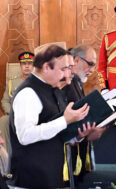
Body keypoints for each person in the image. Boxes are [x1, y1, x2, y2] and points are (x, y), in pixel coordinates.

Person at [9, 45, 90, 188]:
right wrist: (65, 120)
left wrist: (76, 136)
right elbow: (25, 135)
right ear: (46, 67)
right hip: (31, 179)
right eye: (63, 69)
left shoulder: (52, 88)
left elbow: (53, 129)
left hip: (49, 175)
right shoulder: (28, 93)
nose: (67, 75)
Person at [62, 45, 107, 184]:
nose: (92, 70)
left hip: (78, 143)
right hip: (66, 149)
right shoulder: (66, 83)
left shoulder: (77, 82)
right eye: (90, 64)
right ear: (76, 60)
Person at [0, 52, 34, 150]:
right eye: (24, 64)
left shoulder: (38, 82)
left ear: (33, 66)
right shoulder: (12, 82)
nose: (27, 66)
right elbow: (5, 101)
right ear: (20, 66)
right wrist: (12, 113)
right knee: (3, 120)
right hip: (14, 115)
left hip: (32, 116)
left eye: (29, 63)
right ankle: (5, 155)